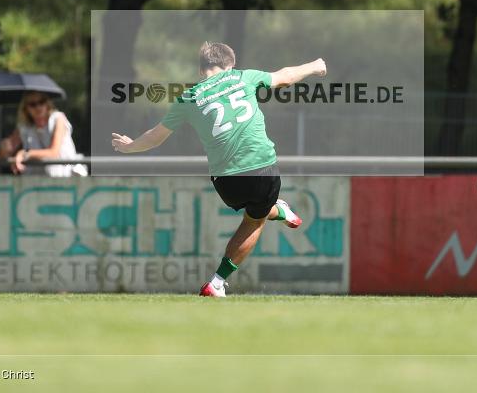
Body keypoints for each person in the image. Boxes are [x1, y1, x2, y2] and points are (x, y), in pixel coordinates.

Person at [111, 41, 326, 297]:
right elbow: (285, 77)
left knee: (254, 208)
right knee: (254, 221)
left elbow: (155, 137)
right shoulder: (242, 77)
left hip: (225, 183)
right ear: (230, 64)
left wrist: (129, 147)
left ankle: (279, 210)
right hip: (262, 169)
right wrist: (315, 66)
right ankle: (216, 282)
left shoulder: (188, 97)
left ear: (202, 70)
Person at [0, 92, 86, 177]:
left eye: (41, 101)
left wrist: (25, 154)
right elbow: (5, 152)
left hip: (65, 178)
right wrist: (5, 149)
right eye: (32, 104)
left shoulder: (58, 119)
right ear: (26, 108)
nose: (38, 107)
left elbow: (54, 152)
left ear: (47, 103)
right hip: (36, 182)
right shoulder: (24, 127)